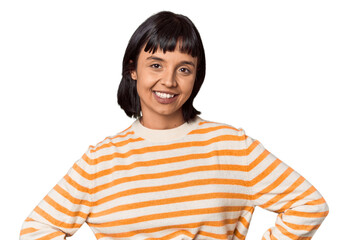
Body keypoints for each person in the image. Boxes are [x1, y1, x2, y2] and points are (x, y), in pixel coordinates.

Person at [20, 11, 329, 240]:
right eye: (155, 64)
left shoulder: (232, 146)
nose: (168, 81)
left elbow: (308, 204)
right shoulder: (100, 161)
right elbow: (37, 230)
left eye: (184, 68)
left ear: (196, 78)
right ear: (132, 70)